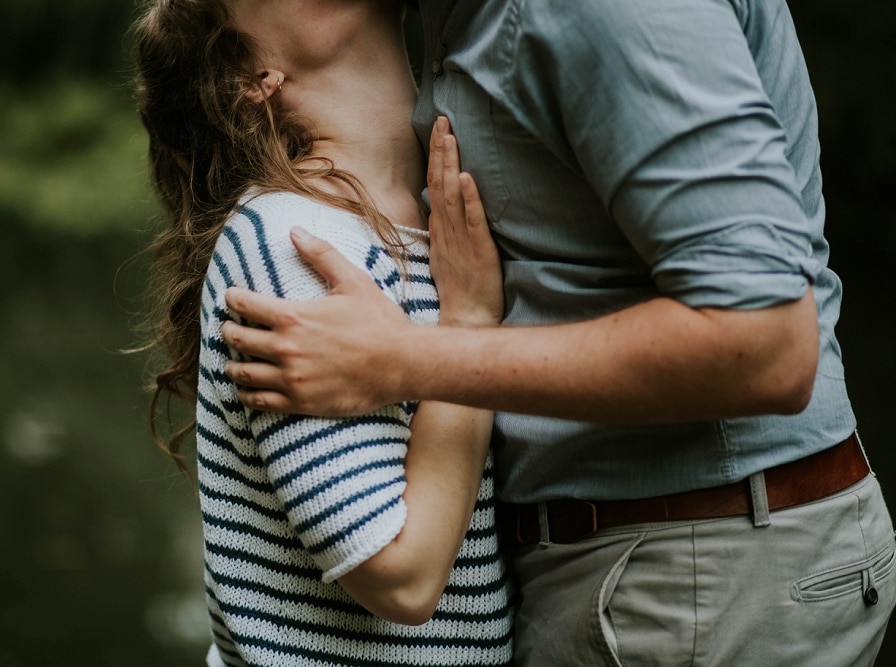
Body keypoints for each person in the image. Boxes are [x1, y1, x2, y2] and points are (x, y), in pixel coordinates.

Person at [219, 0, 896, 664]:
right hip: (638, 572)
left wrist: (408, 357)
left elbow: (768, 344)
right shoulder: (433, 37)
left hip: (693, 570)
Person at [134, 1, 512, 665]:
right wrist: (469, 329)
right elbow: (402, 575)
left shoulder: (431, 225)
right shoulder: (292, 241)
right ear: (253, 79)